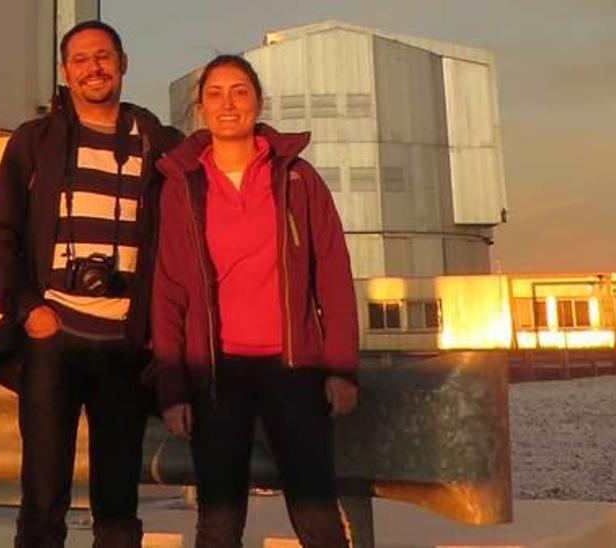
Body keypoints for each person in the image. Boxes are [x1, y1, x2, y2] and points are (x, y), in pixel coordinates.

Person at [0, 20, 181, 548]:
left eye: (105, 56)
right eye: (82, 59)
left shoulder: (160, 145)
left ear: (124, 63)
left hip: (124, 346)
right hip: (53, 339)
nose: (95, 67)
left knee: (118, 503)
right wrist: (27, 310)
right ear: (66, 73)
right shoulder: (35, 143)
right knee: (43, 498)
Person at [149, 54, 360, 548]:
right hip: (217, 374)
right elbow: (169, 291)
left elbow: (332, 274)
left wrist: (341, 369)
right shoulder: (181, 185)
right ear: (200, 108)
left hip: (293, 369)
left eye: (240, 91)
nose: (228, 103)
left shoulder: (297, 179)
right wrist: (173, 390)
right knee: (219, 521)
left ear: (258, 102)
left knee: (316, 512)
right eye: (215, 93)